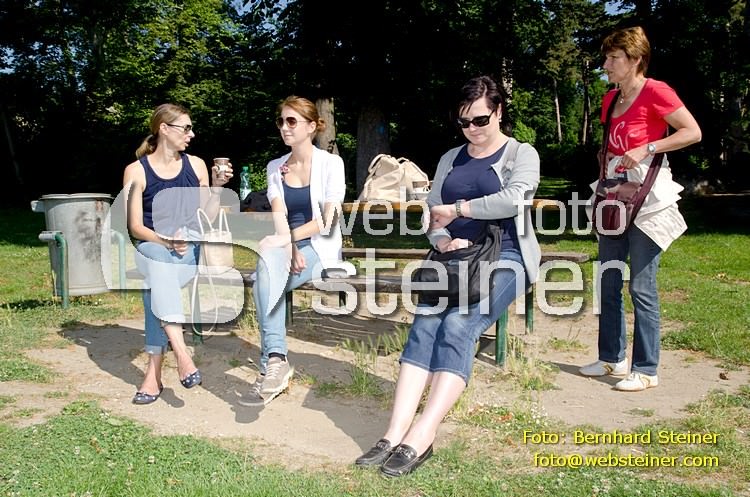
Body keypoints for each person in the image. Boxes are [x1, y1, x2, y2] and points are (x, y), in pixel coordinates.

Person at [355, 75, 541, 476]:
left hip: (507, 256)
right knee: (425, 324)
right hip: (454, 257)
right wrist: (441, 239)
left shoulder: (521, 153)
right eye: (464, 122)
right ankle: (393, 433)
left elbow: (515, 199)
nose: (472, 129)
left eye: (480, 120)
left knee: (458, 325)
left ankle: (422, 434)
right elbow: (431, 210)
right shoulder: (450, 158)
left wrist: (458, 211)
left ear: (498, 112)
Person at [579, 26, 701, 391]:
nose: (606, 65)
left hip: (649, 199)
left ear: (635, 60)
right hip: (615, 197)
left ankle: (646, 369)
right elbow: (611, 146)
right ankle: (611, 358)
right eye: (606, 57)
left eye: (613, 58)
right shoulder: (610, 100)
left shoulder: (656, 91)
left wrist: (648, 147)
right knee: (608, 278)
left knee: (642, 286)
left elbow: (692, 132)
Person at [239, 95, 346, 406]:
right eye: (281, 121)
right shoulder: (276, 167)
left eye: (291, 121)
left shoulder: (331, 164)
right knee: (267, 268)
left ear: (311, 126)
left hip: (321, 248)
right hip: (288, 244)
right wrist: (288, 245)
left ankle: (270, 367)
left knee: (264, 277)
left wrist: (289, 241)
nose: (284, 127)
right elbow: (278, 214)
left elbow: (327, 221)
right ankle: (276, 361)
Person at [124, 103, 231, 404]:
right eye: (186, 128)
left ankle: (153, 374)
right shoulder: (136, 171)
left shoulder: (196, 166)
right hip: (152, 246)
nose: (191, 134)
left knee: (155, 286)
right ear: (164, 129)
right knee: (157, 262)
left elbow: (207, 216)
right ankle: (183, 354)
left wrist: (217, 187)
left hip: (188, 250)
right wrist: (166, 241)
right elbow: (135, 227)